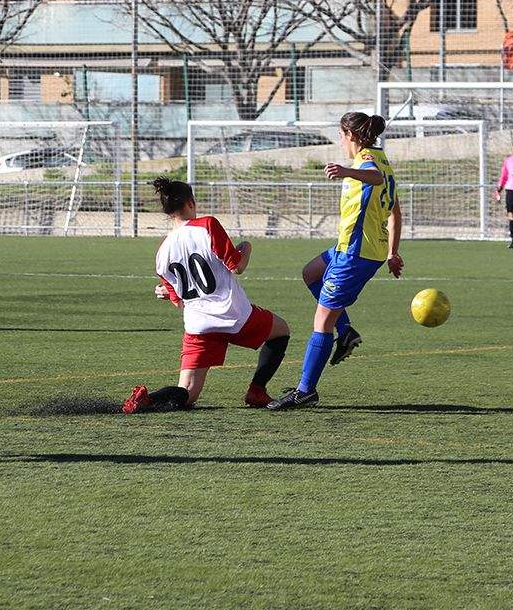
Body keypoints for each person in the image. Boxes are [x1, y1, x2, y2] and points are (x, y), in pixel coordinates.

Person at [267, 111, 403, 410]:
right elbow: (395, 212)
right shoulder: (383, 159)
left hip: (356, 253)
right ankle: (347, 330)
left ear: (350, 135)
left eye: (340, 136)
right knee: (311, 273)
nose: (340, 141)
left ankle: (306, 391)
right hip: (355, 248)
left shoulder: (367, 160)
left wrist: (346, 171)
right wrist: (392, 253)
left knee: (321, 322)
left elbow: (373, 176)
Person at [123, 177, 291, 413]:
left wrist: (167, 293)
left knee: (187, 394)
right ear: (191, 203)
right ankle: (257, 390)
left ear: (168, 212)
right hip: (233, 315)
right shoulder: (207, 225)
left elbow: (178, 301)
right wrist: (246, 247)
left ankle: (147, 399)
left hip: (199, 325)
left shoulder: (162, 253)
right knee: (281, 331)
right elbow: (237, 266)